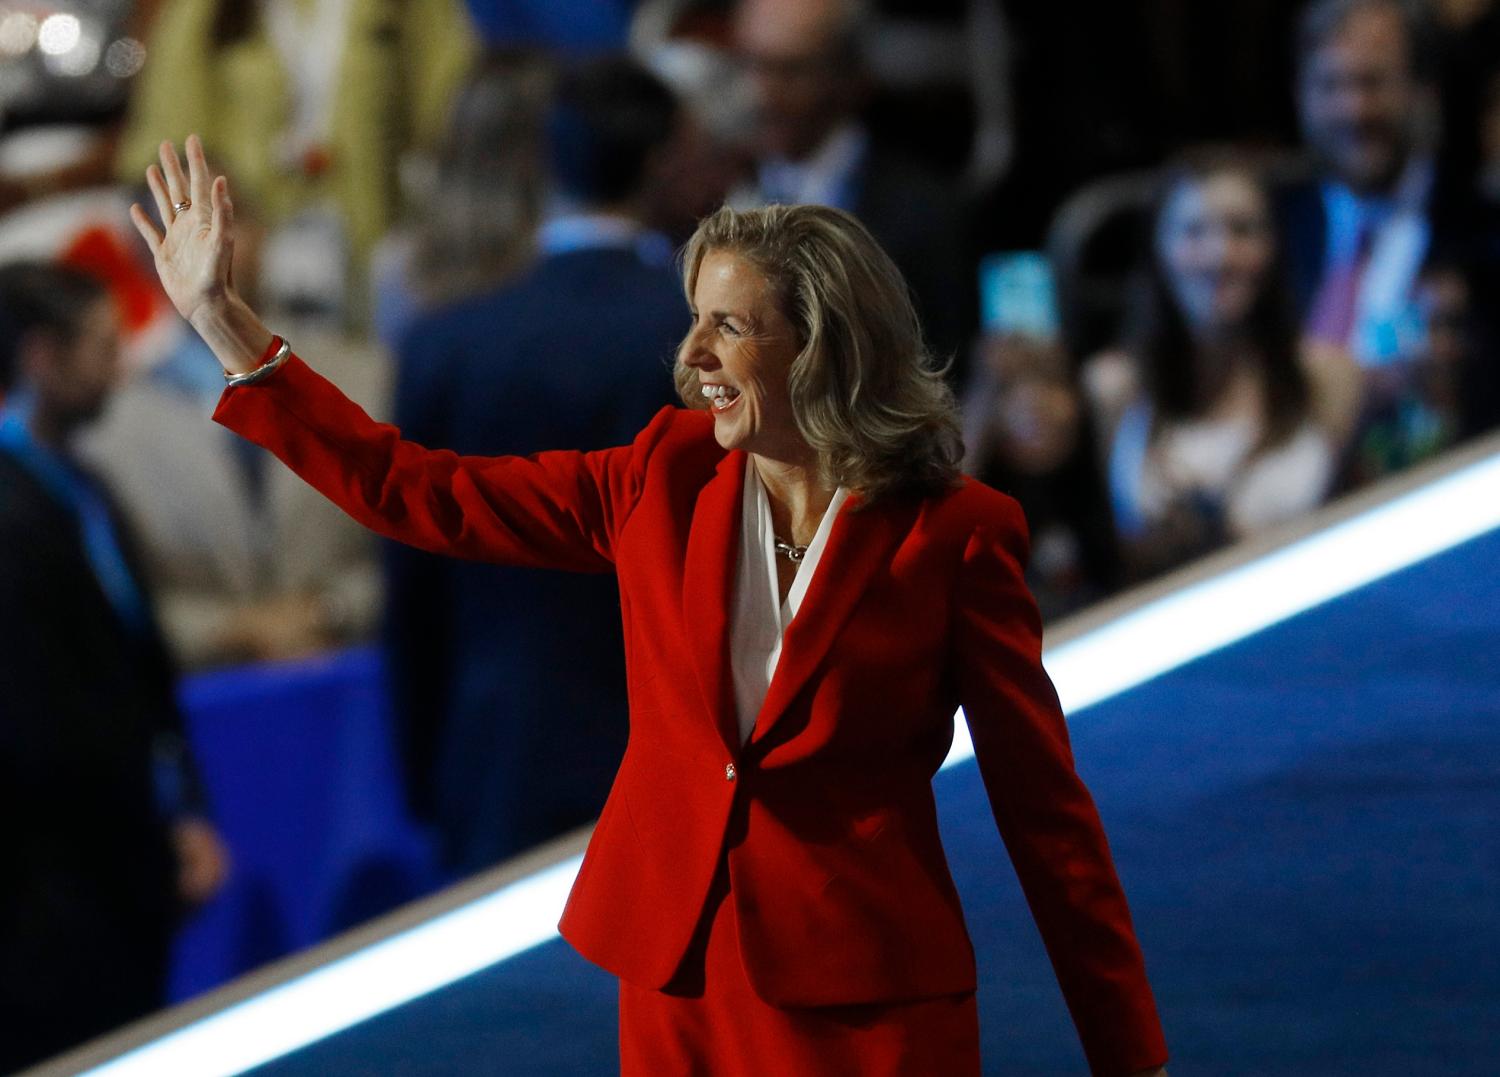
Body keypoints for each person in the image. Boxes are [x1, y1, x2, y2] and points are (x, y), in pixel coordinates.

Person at [132, 137, 1169, 1076]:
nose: (694, 358)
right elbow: (420, 492)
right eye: (693, 322)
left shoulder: (955, 533)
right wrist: (227, 324)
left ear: (819, 347)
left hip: (864, 996)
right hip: (680, 975)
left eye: (728, 328)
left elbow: (1046, 812)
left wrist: (1127, 1048)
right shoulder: (660, 476)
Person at [386, 55, 688, 871]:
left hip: (496, 762)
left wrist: (425, 771)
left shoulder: (444, 347)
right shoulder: (712, 335)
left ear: (547, 162)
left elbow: (416, 587)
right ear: (663, 162)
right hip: (685, 759)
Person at [0, 261, 229, 1072]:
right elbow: (45, 728)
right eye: (101, 345)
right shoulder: (14, 510)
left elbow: (145, 674)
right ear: (39, 356)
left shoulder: (87, 487)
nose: (123, 363)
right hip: (50, 908)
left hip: (120, 883)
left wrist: (185, 809)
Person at [1084, 156, 1361, 581]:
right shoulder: (1114, 385)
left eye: (1243, 230)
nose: (1221, 255)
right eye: (1194, 231)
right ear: (1158, 248)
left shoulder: (1328, 377)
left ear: (1274, 245)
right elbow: (1113, 559)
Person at [729, 0, 974, 377]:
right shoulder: (706, 188)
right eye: (747, 64)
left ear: (851, 78)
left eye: (789, 71)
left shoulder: (923, 213)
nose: (759, 93)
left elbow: (944, 368)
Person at [1278, 0, 1500, 378]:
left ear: (1423, 91)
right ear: (1300, 94)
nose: (1354, 110)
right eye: (1331, 84)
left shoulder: (1485, 234)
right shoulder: (1271, 231)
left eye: (1372, 82)